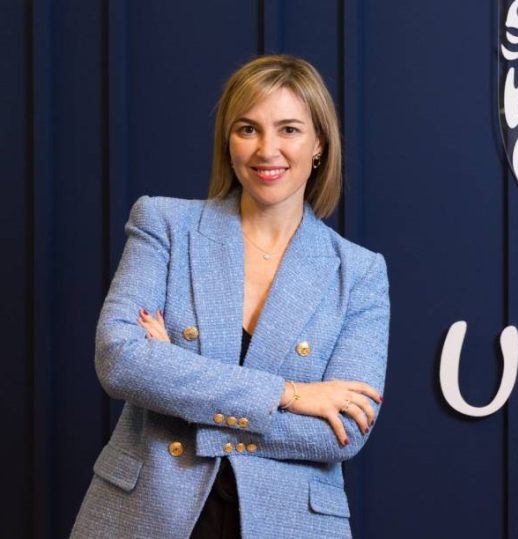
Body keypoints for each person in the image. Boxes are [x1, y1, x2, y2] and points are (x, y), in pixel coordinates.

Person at [71, 55, 388, 538]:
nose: (267, 150)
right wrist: (291, 394)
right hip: (147, 513)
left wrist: (174, 376)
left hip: (287, 523)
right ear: (228, 140)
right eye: (248, 129)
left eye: (289, 130)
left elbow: (339, 433)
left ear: (319, 143)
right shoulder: (165, 225)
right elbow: (120, 359)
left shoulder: (360, 272)